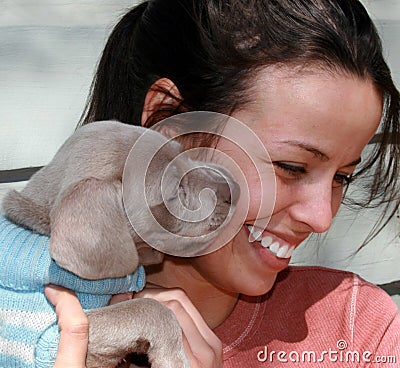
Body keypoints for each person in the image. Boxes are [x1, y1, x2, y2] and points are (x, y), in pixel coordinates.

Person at [48, 0, 400, 367]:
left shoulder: (359, 329)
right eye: (291, 167)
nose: (321, 218)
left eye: (342, 176)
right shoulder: (25, 329)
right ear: (167, 125)